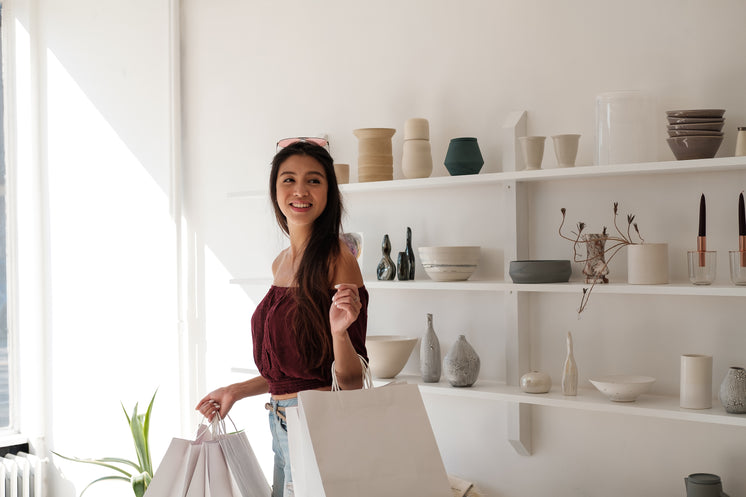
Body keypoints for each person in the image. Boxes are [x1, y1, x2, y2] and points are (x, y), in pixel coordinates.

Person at [195, 139, 368, 497]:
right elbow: (292, 370)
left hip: (315, 425)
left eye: (314, 180)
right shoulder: (280, 263)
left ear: (329, 192)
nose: (300, 190)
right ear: (275, 191)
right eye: (288, 179)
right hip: (280, 421)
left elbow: (352, 379)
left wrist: (340, 333)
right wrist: (236, 391)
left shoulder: (338, 257)